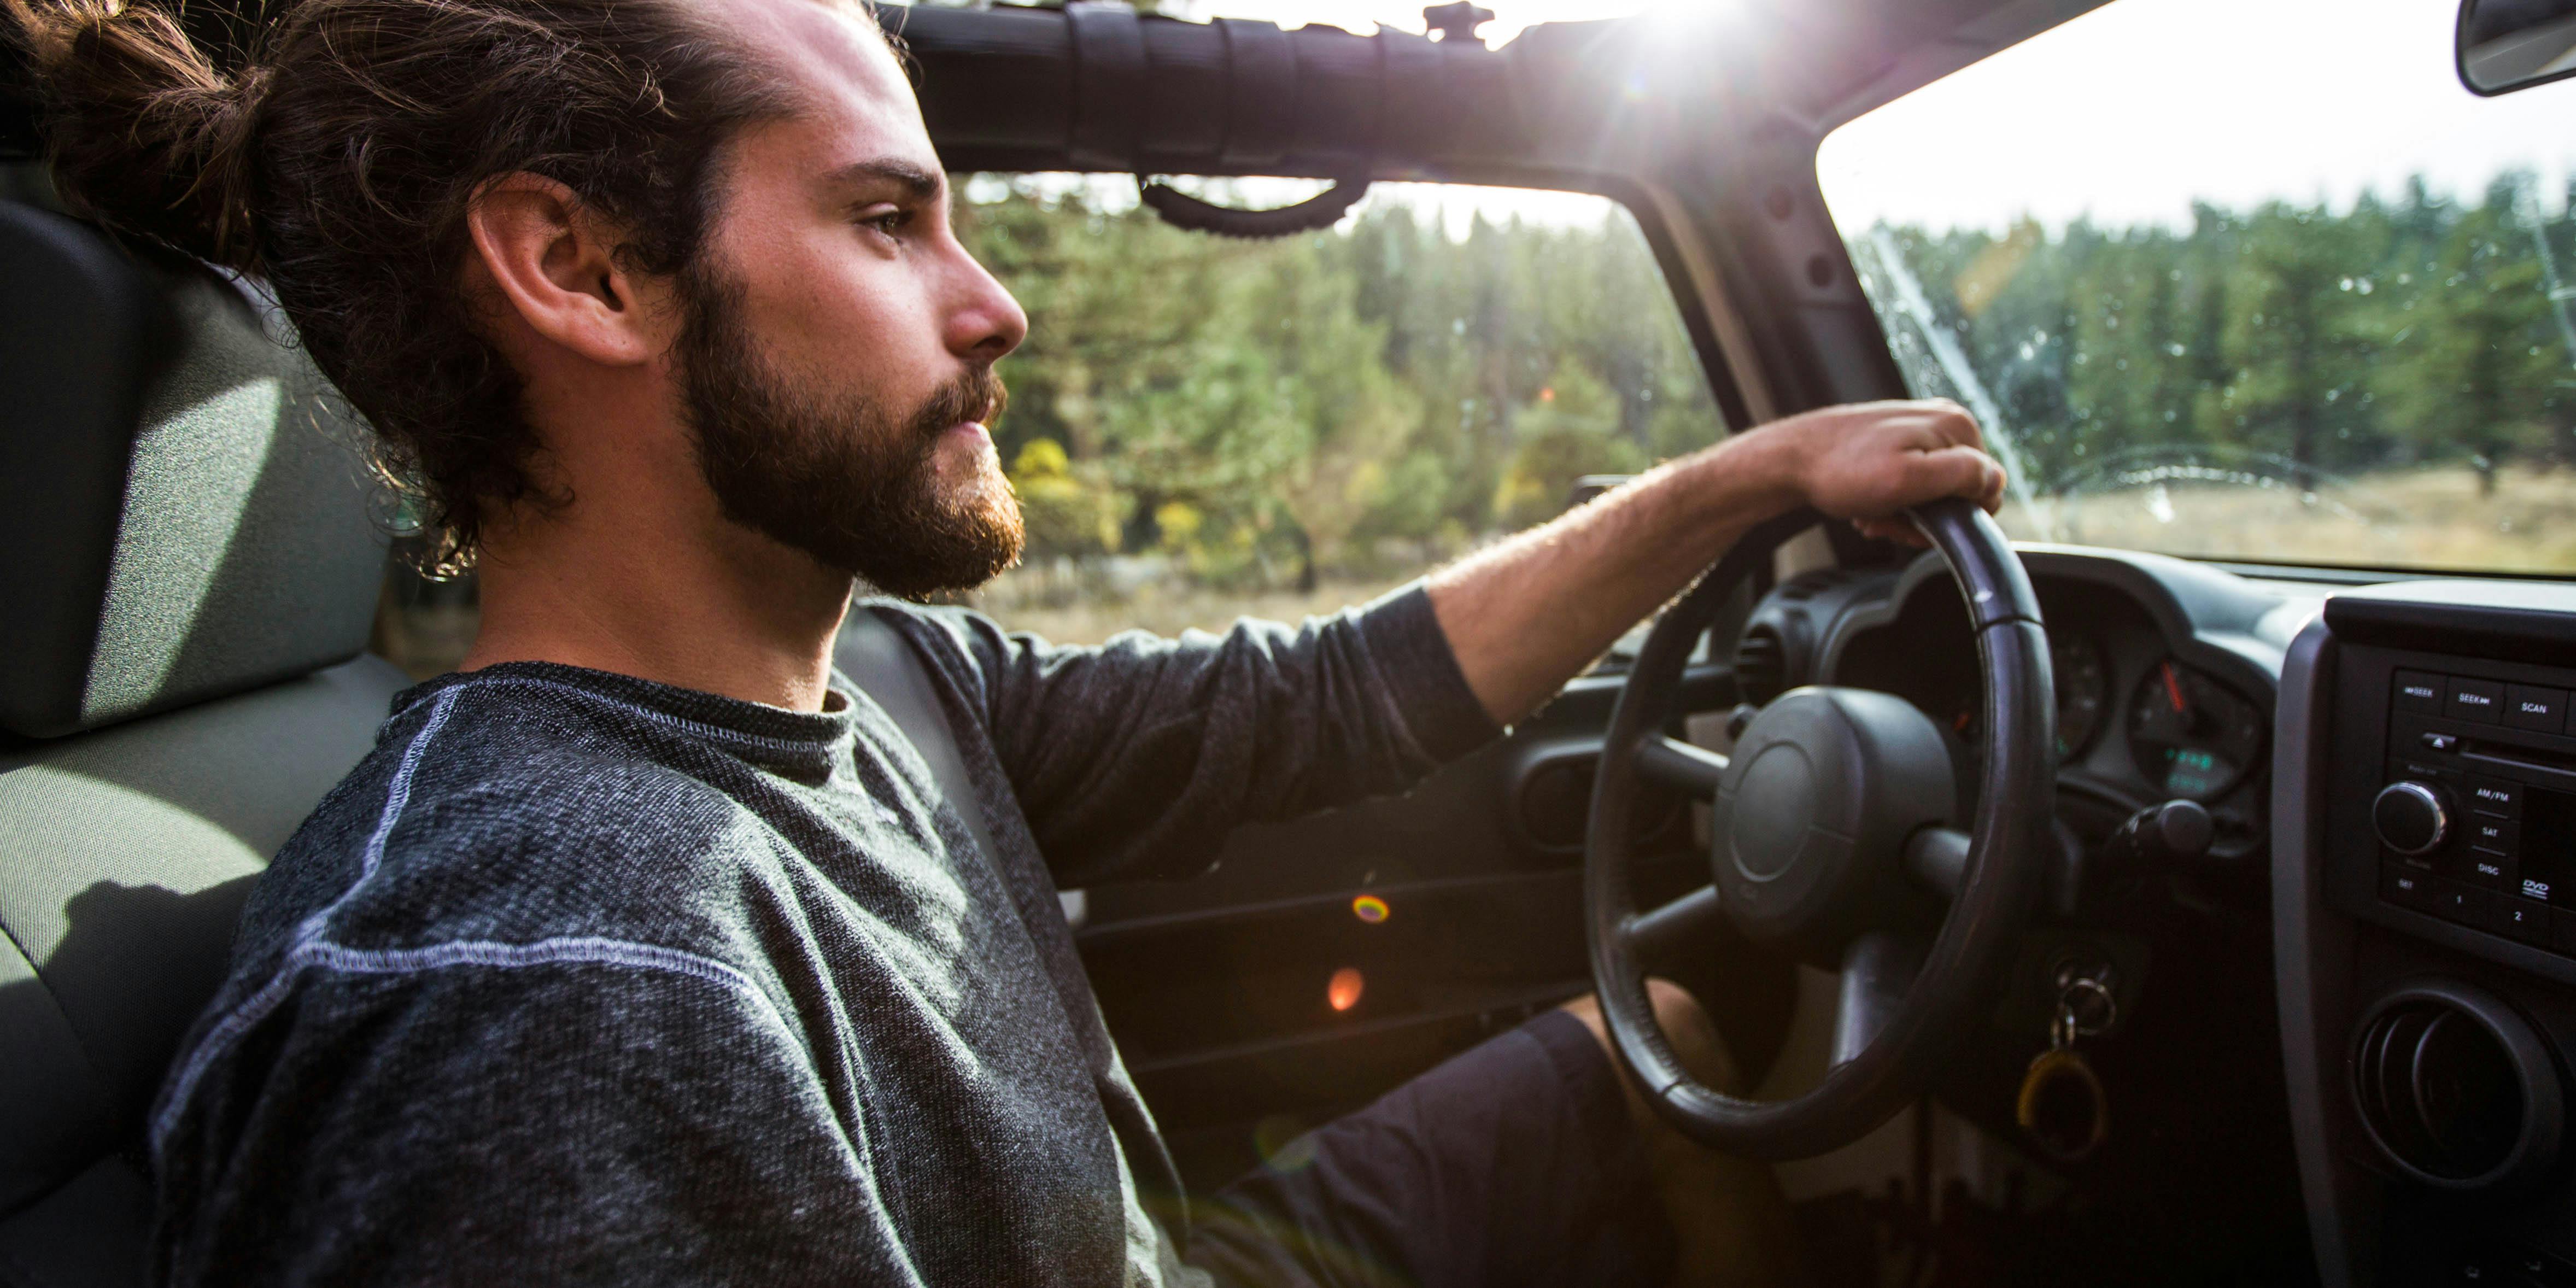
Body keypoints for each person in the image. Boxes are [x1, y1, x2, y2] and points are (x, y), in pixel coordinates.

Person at [5, 1, 2005, 1284]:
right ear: (585, 270)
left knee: (1645, 1044)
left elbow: (1317, 703)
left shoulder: (869, 680)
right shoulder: (552, 997)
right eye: (888, 222)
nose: (997, 307)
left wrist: (1736, 483)